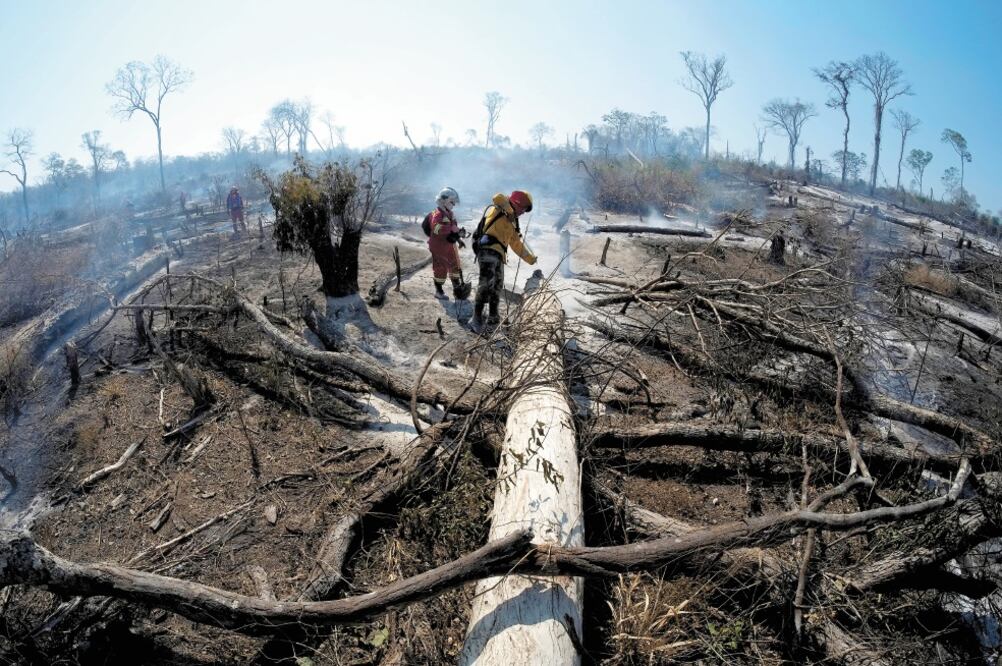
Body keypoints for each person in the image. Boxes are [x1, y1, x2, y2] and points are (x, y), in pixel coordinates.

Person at [472, 190, 537, 329]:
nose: (523, 212)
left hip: (499, 256)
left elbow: (516, 245)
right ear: (517, 203)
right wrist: (509, 209)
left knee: (497, 287)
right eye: (523, 209)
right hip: (487, 249)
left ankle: (493, 317)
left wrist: (530, 259)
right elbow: (497, 196)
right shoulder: (500, 206)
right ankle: (476, 318)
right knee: (485, 284)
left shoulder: (513, 223)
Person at [427, 186, 471, 300]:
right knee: (441, 268)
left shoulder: (450, 214)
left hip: (449, 244)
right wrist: (451, 228)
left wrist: (459, 236)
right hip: (439, 246)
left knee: (455, 265)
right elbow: (435, 228)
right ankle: (439, 291)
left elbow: (454, 228)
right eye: (452, 202)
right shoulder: (437, 214)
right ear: (444, 200)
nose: (454, 205)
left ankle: (457, 289)